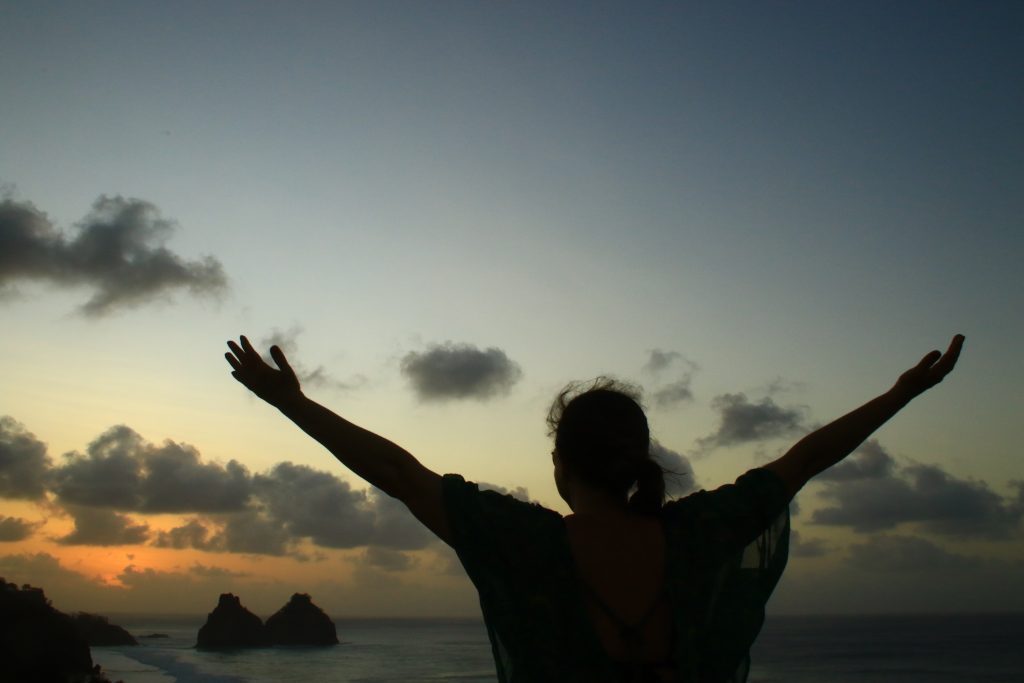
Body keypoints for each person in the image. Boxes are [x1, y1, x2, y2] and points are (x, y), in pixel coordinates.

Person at [224, 334, 964, 683]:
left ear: (561, 465)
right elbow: (802, 460)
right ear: (636, 461)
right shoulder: (703, 534)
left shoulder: (523, 543)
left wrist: (292, 403)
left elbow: (397, 471)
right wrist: (901, 395)